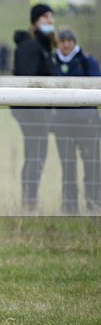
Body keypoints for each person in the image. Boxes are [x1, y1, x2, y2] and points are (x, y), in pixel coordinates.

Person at [11, 3, 59, 212]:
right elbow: (26, 80)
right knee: (36, 155)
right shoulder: (31, 46)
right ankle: (29, 203)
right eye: (45, 17)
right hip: (32, 111)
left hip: (40, 110)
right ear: (35, 21)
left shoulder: (44, 47)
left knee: (35, 155)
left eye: (51, 16)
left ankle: (30, 202)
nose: (50, 20)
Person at [52, 28, 101, 214]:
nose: (66, 45)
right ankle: (69, 207)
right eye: (63, 41)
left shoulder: (87, 61)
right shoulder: (52, 62)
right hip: (62, 122)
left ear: (74, 42)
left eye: (70, 41)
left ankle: (94, 204)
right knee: (67, 166)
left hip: (86, 121)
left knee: (92, 164)